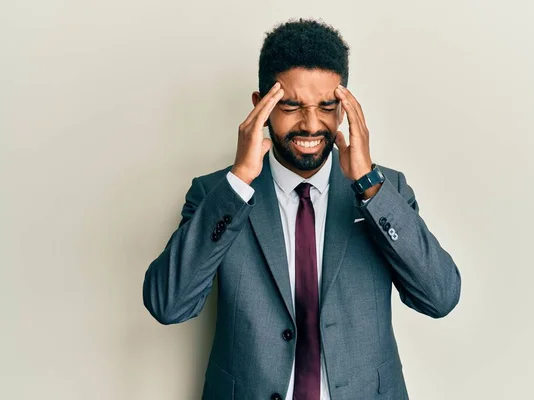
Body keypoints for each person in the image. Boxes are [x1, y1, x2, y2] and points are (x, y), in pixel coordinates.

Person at [142, 18, 461, 400]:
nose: (311, 125)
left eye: (326, 107)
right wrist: (239, 181)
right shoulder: (217, 193)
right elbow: (168, 304)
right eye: (292, 106)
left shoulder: (385, 190)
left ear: (344, 109)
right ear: (261, 106)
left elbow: (440, 297)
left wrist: (369, 187)